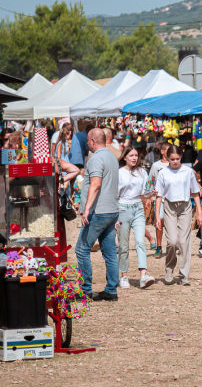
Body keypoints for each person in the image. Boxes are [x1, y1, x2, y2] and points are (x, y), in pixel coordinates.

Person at [75, 128, 121, 301]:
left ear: (93, 141)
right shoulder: (112, 157)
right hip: (111, 210)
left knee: (81, 249)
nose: (87, 143)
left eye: (88, 141)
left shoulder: (96, 158)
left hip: (98, 211)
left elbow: (95, 185)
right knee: (109, 252)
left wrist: (86, 208)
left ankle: (85, 290)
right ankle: (111, 290)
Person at [152, 143, 202, 286]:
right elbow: (159, 196)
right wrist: (157, 215)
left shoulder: (188, 172)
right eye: (172, 159)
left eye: (177, 159)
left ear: (181, 157)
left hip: (185, 206)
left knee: (184, 241)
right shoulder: (163, 173)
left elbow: (195, 192)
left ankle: (183, 275)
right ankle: (169, 269)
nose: (175, 162)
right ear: (167, 158)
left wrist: (199, 212)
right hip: (169, 206)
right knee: (173, 241)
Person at [116, 144, 156, 289]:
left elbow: (146, 192)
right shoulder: (119, 173)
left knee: (140, 242)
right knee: (123, 245)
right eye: (131, 155)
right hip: (122, 208)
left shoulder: (142, 172)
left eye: (136, 156)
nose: (134, 158)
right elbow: (115, 195)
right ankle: (124, 276)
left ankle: (143, 275)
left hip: (138, 207)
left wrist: (151, 194)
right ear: (124, 157)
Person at [147, 145, 170, 257]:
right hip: (160, 198)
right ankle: (159, 246)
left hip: (172, 198)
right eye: (168, 150)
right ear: (162, 152)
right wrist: (148, 196)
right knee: (159, 221)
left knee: (171, 223)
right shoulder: (156, 165)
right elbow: (151, 181)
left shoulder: (174, 164)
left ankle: (171, 245)